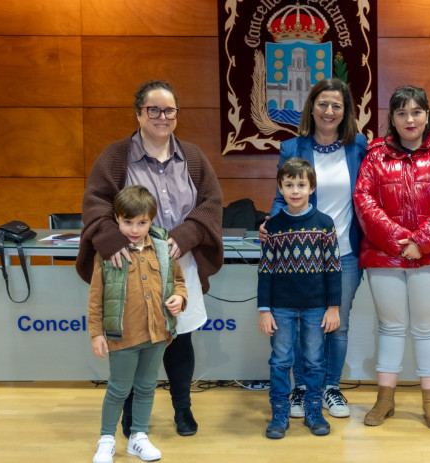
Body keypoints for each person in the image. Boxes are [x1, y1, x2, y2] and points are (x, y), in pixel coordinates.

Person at [77, 80, 224, 438]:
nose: (162, 116)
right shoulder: (116, 156)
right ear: (139, 113)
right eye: (153, 109)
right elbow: (95, 203)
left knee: (180, 338)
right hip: (129, 265)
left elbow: (212, 202)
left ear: (177, 114)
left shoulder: (191, 156)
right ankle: (129, 413)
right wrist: (112, 240)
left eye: (169, 110)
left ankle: (182, 409)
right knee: (132, 341)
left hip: (177, 262)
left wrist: (186, 235)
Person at [353, 85, 430, 430]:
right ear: (393, 118)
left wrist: (421, 242)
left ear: (427, 114)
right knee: (390, 327)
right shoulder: (375, 156)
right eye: (402, 113)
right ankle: (384, 400)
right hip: (384, 253)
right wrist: (397, 240)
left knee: (426, 327)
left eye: (416, 111)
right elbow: (364, 200)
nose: (410, 119)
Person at [261, 78, 367, 419]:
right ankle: (302, 389)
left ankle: (330, 388)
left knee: (336, 322)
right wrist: (272, 225)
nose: (329, 111)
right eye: (323, 104)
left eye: (337, 105)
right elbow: (283, 197)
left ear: (345, 111)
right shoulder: (292, 148)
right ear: (311, 107)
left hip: (344, 253)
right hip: (300, 255)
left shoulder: (359, 146)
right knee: (297, 322)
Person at [89, 185, 188, 463]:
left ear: (151, 220)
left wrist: (179, 297)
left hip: (157, 333)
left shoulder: (162, 248)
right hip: (122, 336)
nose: (134, 228)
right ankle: (106, 439)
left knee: (146, 386)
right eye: (127, 222)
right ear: (117, 220)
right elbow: (96, 297)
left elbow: (178, 281)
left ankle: (138, 437)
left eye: (142, 222)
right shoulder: (108, 253)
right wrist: (96, 333)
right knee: (119, 389)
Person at [257, 158, 342, 439]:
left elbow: (334, 268)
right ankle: (279, 412)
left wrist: (333, 307)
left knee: (315, 361)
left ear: (312, 187)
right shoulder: (274, 227)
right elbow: (265, 271)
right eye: (289, 184)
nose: (295, 190)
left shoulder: (324, 224)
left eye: (301, 184)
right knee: (281, 360)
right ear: (280, 188)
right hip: (280, 307)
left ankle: (313, 410)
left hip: (317, 307)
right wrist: (264, 309)